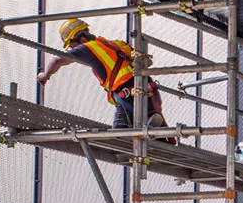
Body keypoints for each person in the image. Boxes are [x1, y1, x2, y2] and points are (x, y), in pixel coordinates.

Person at [38, 18, 167, 131]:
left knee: (120, 140)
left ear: (82, 39)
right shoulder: (118, 44)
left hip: (130, 98)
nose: (74, 51)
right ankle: (155, 127)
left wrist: (44, 75)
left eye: (73, 46)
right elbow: (148, 62)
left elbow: (58, 60)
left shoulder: (89, 48)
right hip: (149, 93)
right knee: (151, 138)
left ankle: (152, 127)